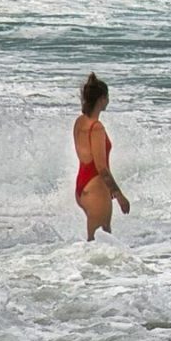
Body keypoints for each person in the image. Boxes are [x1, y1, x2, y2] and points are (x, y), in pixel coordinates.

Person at [72, 72, 129, 241]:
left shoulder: (80, 121)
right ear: (102, 99)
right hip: (96, 187)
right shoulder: (96, 128)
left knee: (99, 243)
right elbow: (101, 168)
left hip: (82, 186)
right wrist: (119, 196)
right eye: (107, 97)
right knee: (99, 245)